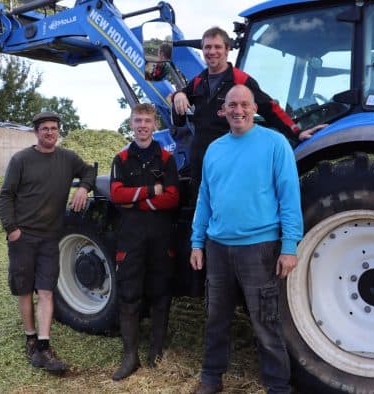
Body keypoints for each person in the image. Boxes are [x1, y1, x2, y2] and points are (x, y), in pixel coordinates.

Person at [189, 85, 303, 394]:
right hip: (218, 247)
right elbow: (204, 199)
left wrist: (289, 246)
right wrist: (197, 242)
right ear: (222, 110)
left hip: (260, 248)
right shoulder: (215, 149)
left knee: (265, 322)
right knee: (216, 319)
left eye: (244, 104)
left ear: (254, 108)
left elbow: (289, 198)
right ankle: (211, 378)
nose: (238, 110)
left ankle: (278, 386)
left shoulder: (275, 144)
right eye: (232, 105)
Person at [171, 26, 325, 198]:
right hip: (201, 160)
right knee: (200, 210)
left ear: (227, 49)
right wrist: (180, 94)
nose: (212, 52)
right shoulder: (199, 81)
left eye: (217, 47)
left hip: (231, 159)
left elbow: (270, 107)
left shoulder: (241, 80)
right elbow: (179, 106)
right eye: (207, 47)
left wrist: (297, 132)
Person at [0, 111, 95, 374]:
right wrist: (12, 229)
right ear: (36, 132)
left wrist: (84, 188)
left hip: (51, 237)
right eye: (44, 129)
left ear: (58, 131)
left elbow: (89, 170)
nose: (50, 132)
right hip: (23, 236)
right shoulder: (21, 160)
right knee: (25, 289)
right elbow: (6, 195)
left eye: (53, 128)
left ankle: (44, 344)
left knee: (46, 290)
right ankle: (30, 339)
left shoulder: (67, 158)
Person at [109, 103, 180, 380]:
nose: (142, 125)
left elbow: (173, 197)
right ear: (131, 123)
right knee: (129, 294)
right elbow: (117, 194)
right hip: (131, 237)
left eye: (147, 120)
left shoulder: (166, 158)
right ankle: (130, 357)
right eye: (137, 120)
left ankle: (156, 351)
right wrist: (151, 192)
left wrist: (137, 201)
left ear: (154, 124)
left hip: (160, 237)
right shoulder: (122, 158)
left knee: (161, 291)